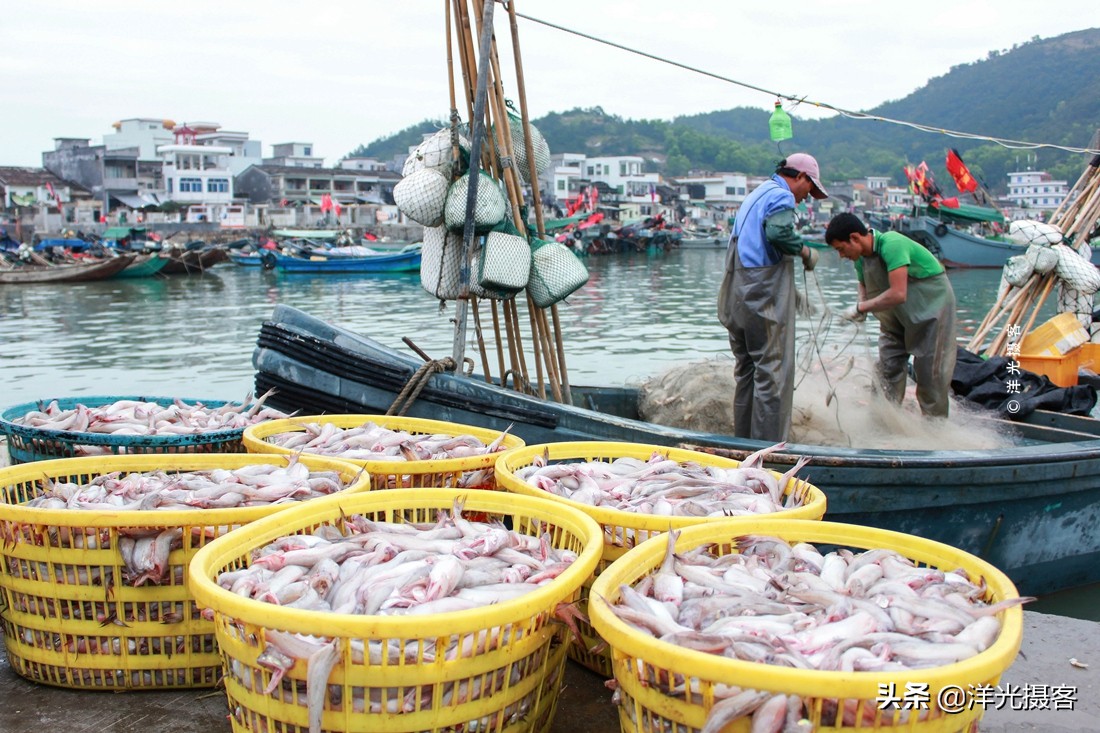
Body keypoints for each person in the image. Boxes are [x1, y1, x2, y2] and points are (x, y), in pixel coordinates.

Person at [718, 153, 827, 442]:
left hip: (737, 293)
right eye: (810, 189)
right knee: (772, 374)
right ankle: (768, 455)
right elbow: (778, 233)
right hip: (761, 295)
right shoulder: (781, 196)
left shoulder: (757, 194)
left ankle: (743, 445)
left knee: (747, 372)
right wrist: (805, 252)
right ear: (800, 177)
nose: (808, 197)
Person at [824, 212, 957, 418]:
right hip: (895, 319)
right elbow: (863, 284)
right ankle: (883, 423)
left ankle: (935, 430)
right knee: (887, 369)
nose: (841, 255)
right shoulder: (860, 258)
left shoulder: (892, 244)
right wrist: (861, 304)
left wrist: (861, 308)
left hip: (931, 310)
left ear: (855, 238)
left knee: (931, 375)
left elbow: (898, 293)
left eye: (841, 249)